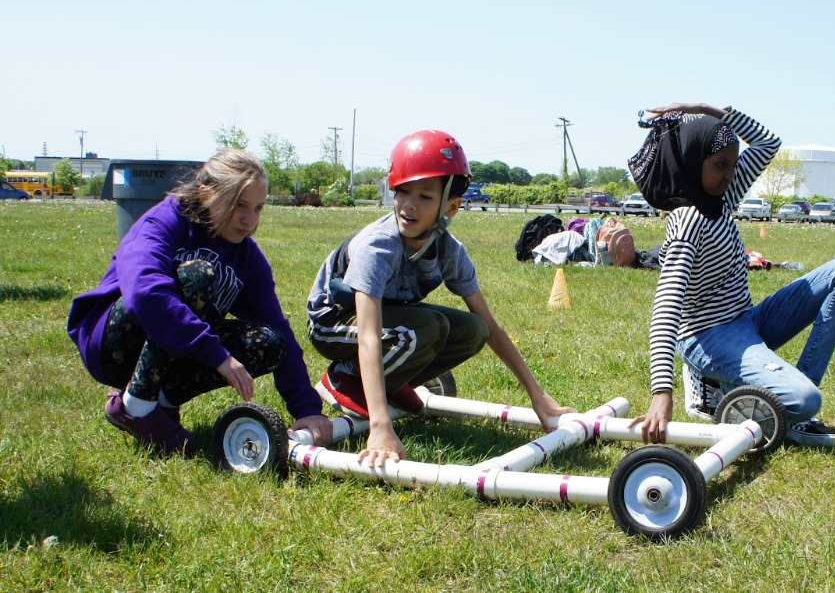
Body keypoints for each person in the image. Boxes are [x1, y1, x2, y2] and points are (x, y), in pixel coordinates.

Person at [307, 129, 573, 467]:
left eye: (424, 195)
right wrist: (380, 425)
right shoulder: (378, 246)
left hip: (385, 321)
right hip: (333, 322)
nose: (409, 204)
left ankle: (387, 384)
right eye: (402, 191)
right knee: (427, 327)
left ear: (451, 206)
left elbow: (490, 326)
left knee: (471, 329)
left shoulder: (448, 250)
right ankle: (344, 378)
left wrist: (538, 396)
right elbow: (370, 336)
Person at [627, 103, 835, 447]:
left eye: (733, 164)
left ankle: (796, 415)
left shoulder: (720, 199)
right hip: (708, 336)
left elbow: (768, 144)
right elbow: (666, 309)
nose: (729, 174)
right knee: (805, 398)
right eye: (719, 164)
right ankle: (717, 384)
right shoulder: (686, 223)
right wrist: (661, 392)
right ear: (694, 164)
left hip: (747, 321)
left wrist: (707, 111)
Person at [67, 149, 332, 454]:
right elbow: (145, 292)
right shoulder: (164, 221)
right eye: (238, 206)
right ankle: (136, 406)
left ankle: (161, 404)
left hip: (174, 352)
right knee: (196, 275)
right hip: (111, 346)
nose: (249, 220)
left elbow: (277, 328)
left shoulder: (247, 257)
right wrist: (214, 353)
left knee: (268, 341)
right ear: (206, 194)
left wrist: (307, 408)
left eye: (258, 208)